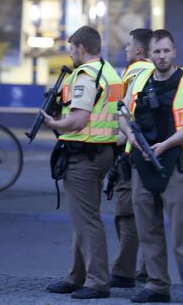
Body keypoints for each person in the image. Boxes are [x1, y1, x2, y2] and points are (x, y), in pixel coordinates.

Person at [118, 29, 183, 305]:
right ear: (150, 54)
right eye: (156, 51)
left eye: (166, 51)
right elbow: (121, 115)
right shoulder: (139, 80)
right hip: (142, 163)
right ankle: (157, 285)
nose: (161, 56)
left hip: (173, 162)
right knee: (148, 229)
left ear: (174, 52)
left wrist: (166, 144)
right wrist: (133, 139)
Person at [41, 25, 122, 300]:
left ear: (80, 47)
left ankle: (98, 281)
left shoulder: (86, 75)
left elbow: (78, 119)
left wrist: (54, 122)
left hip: (84, 155)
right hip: (103, 152)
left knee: (87, 221)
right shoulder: (110, 72)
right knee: (83, 218)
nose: (70, 53)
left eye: (71, 48)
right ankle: (76, 276)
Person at [109, 28, 154, 289]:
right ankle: (149, 268)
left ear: (138, 50)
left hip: (131, 153)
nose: (125, 49)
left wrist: (111, 141)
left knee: (126, 213)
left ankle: (123, 271)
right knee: (150, 213)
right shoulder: (160, 73)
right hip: (156, 153)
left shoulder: (135, 73)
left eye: (128, 45)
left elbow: (126, 116)